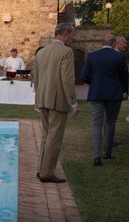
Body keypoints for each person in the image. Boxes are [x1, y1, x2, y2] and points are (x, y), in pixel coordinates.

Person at [33, 23, 79, 183]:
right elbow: (67, 80)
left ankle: (41, 169)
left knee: (47, 135)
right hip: (58, 99)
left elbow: (36, 78)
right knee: (54, 137)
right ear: (65, 33)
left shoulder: (41, 52)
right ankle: (46, 172)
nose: (71, 38)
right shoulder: (66, 52)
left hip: (42, 98)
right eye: (71, 35)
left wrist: (38, 97)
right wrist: (73, 102)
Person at [80, 35, 129, 166]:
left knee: (97, 123)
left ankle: (97, 156)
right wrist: (125, 91)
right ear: (114, 43)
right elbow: (125, 77)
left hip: (97, 93)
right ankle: (107, 152)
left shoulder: (92, 56)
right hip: (114, 93)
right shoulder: (118, 56)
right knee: (110, 122)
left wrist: (94, 83)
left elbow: (84, 76)